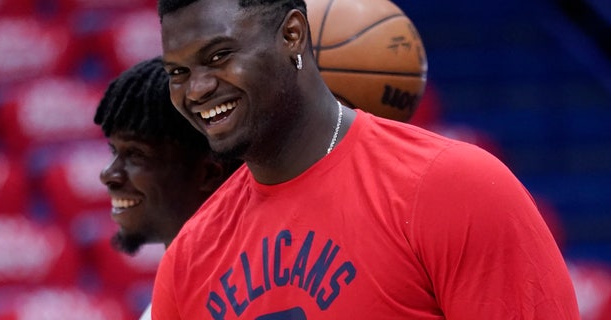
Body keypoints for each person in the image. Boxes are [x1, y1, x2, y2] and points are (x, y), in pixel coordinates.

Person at [153, 0, 580, 318]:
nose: (196, 90)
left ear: (292, 35)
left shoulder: (451, 187)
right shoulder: (188, 259)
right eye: (178, 72)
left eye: (218, 56)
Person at [94, 56, 241, 319]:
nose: (109, 174)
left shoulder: (256, 293)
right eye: (114, 152)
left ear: (208, 173)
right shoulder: (161, 306)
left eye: (136, 155)